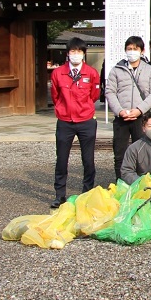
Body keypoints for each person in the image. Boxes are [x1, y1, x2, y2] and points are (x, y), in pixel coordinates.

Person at [49, 37, 101, 208]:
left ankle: (87, 193)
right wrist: (63, 109)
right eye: (73, 52)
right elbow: (55, 96)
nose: (76, 55)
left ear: (84, 54)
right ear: (68, 53)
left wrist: (83, 107)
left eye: (79, 52)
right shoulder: (58, 73)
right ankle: (59, 195)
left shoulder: (91, 73)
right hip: (65, 121)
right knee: (62, 159)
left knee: (88, 159)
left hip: (86, 120)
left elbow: (94, 95)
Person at [105, 35, 151, 180]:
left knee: (142, 153)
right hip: (121, 118)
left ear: (142, 51)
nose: (132, 52)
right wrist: (120, 111)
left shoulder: (150, 70)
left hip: (141, 117)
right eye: (129, 49)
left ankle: (142, 185)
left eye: (135, 49)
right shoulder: (116, 70)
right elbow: (110, 92)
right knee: (120, 154)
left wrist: (139, 110)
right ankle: (121, 184)